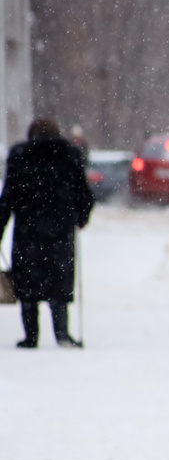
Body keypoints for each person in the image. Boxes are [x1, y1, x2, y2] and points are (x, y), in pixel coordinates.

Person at [0, 117, 95, 348]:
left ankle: (31, 337)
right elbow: (84, 194)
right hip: (60, 232)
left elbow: (8, 197)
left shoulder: (20, 155)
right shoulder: (69, 155)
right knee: (58, 282)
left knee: (27, 284)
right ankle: (62, 333)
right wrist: (81, 217)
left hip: (27, 232)